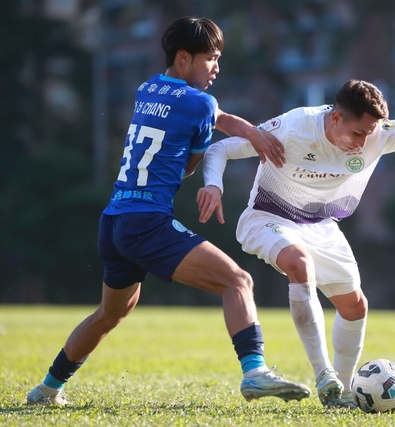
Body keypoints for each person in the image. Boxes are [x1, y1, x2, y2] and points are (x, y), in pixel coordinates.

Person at [26, 16, 311, 406]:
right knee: (238, 281)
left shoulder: (148, 88)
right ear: (184, 57)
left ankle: (46, 389)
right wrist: (226, 150)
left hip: (115, 219)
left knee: (109, 315)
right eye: (210, 58)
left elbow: (217, 117)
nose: (216, 67)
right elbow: (190, 165)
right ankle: (255, 372)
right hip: (147, 221)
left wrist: (251, 132)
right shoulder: (200, 103)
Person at [196, 79, 395, 408]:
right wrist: (214, 185)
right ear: (336, 118)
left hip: (321, 225)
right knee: (299, 263)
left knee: (355, 307)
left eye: (369, 133)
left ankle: (340, 392)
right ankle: (323, 372)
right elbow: (220, 149)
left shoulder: (379, 133)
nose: (364, 142)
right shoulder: (293, 127)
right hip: (269, 217)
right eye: (358, 133)